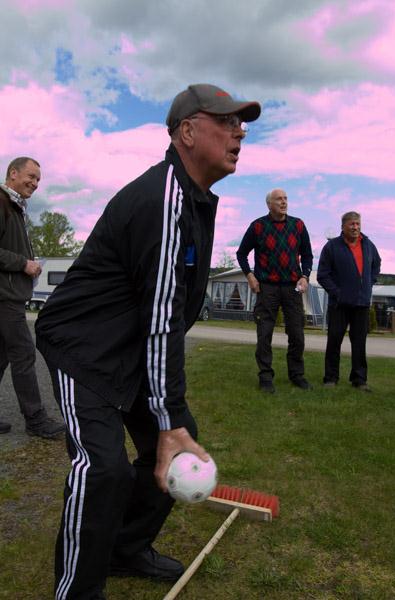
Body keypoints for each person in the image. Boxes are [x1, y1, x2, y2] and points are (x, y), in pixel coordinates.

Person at [35, 84, 261, 600]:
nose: (239, 132)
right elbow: (161, 320)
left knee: (178, 441)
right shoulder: (163, 201)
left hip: (127, 346)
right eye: (226, 122)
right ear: (186, 131)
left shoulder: (194, 199)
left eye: (241, 124)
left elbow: (167, 320)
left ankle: (125, 548)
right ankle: (77, 591)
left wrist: (171, 417)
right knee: (104, 468)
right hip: (82, 348)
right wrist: (169, 413)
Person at [0, 157, 65, 438]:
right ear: (12, 173)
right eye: (31, 176)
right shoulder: (1, 202)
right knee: (24, 355)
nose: (35, 183)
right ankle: (36, 420)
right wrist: (23, 264)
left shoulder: (16, 207)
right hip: (5, 296)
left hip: (9, 294)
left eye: (38, 179)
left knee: (1, 358)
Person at [236, 188, 313, 393]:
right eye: (279, 199)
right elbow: (242, 253)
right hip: (266, 287)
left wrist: (305, 276)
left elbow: (307, 255)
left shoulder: (298, 225)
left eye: (286, 198)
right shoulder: (258, 226)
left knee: (297, 333)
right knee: (264, 334)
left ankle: (296, 374)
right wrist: (250, 276)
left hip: (292, 287)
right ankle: (265, 377)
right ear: (269, 204)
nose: (283, 202)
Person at [317, 211, 381, 391]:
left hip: (361, 303)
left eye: (358, 224)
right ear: (343, 226)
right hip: (339, 304)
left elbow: (376, 264)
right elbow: (323, 275)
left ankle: (359, 380)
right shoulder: (332, 247)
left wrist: (369, 282)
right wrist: (337, 293)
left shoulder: (368, 245)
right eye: (352, 224)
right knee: (334, 340)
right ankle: (330, 378)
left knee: (360, 342)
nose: (356, 227)